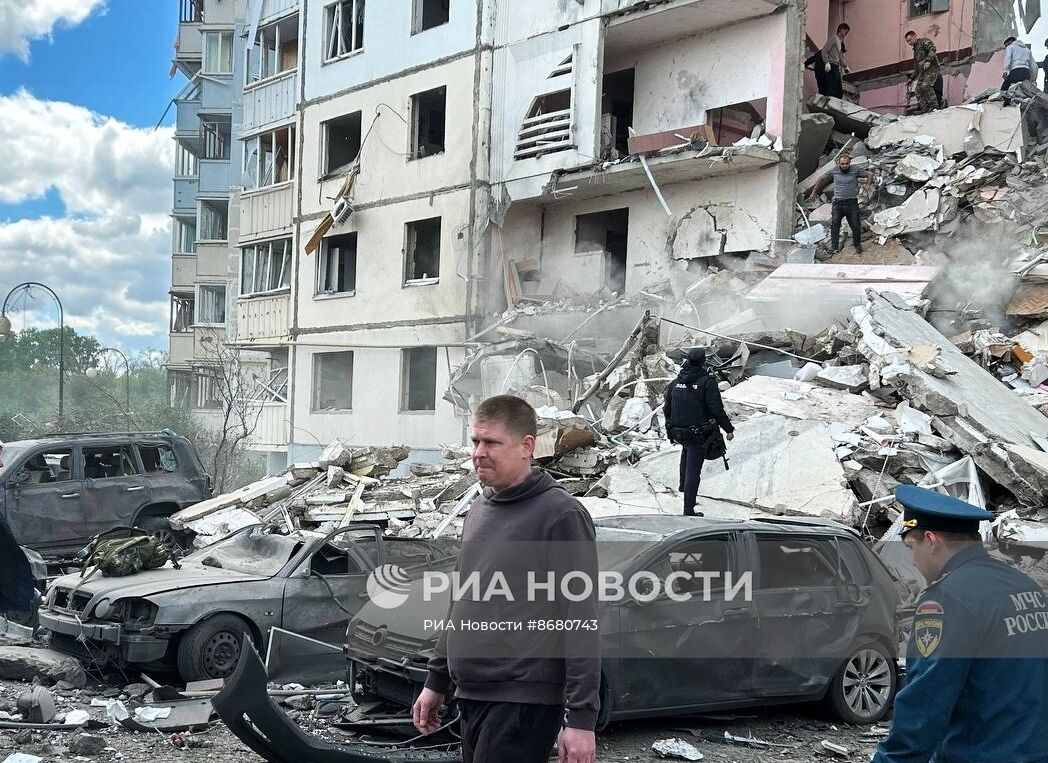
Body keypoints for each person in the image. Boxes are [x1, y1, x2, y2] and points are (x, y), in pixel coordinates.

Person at [414, 395, 599, 763]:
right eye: (475, 441)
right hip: (472, 696)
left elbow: (581, 619)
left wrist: (581, 720)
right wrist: (436, 680)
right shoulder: (480, 509)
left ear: (526, 446)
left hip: (522, 705)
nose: (478, 453)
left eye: (491, 442)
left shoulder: (560, 515)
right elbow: (461, 602)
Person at [873, 485, 1048, 763]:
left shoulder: (946, 599)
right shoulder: (1022, 585)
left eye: (910, 548)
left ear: (931, 541)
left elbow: (925, 702)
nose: (913, 562)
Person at [663, 348, 734, 517]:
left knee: (686, 452)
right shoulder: (707, 382)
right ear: (704, 362)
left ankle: (683, 487)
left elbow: (667, 409)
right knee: (693, 472)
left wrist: (670, 429)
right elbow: (716, 409)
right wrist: (729, 429)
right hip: (697, 434)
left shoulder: (675, 383)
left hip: (678, 432)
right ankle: (688, 510)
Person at [808, 152, 874, 254]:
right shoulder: (834, 171)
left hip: (852, 203)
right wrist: (813, 192)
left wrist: (868, 185)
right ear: (839, 163)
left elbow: (869, 174)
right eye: (842, 164)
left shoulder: (855, 170)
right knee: (835, 225)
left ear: (849, 162)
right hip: (838, 204)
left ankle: (857, 245)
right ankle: (834, 247)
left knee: (855, 225)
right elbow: (821, 179)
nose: (845, 165)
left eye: (846, 163)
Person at [904, 31, 941, 114]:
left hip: (932, 68)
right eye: (907, 41)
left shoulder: (924, 42)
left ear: (915, 36)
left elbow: (932, 48)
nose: (909, 43)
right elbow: (917, 68)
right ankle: (925, 109)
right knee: (917, 90)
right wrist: (911, 78)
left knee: (925, 86)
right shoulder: (915, 51)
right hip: (923, 72)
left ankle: (934, 107)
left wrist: (928, 60)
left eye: (910, 40)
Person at [819, 23, 850, 98]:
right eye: (846, 32)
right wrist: (826, 62)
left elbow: (839, 58)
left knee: (839, 91)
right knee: (832, 87)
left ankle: (833, 102)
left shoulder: (839, 42)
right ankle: (826, 100)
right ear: (841, 30)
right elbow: (824, 51)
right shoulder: (834, 38)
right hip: (831, 66)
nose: (846, 34)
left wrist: (845, 67)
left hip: (836, 66)